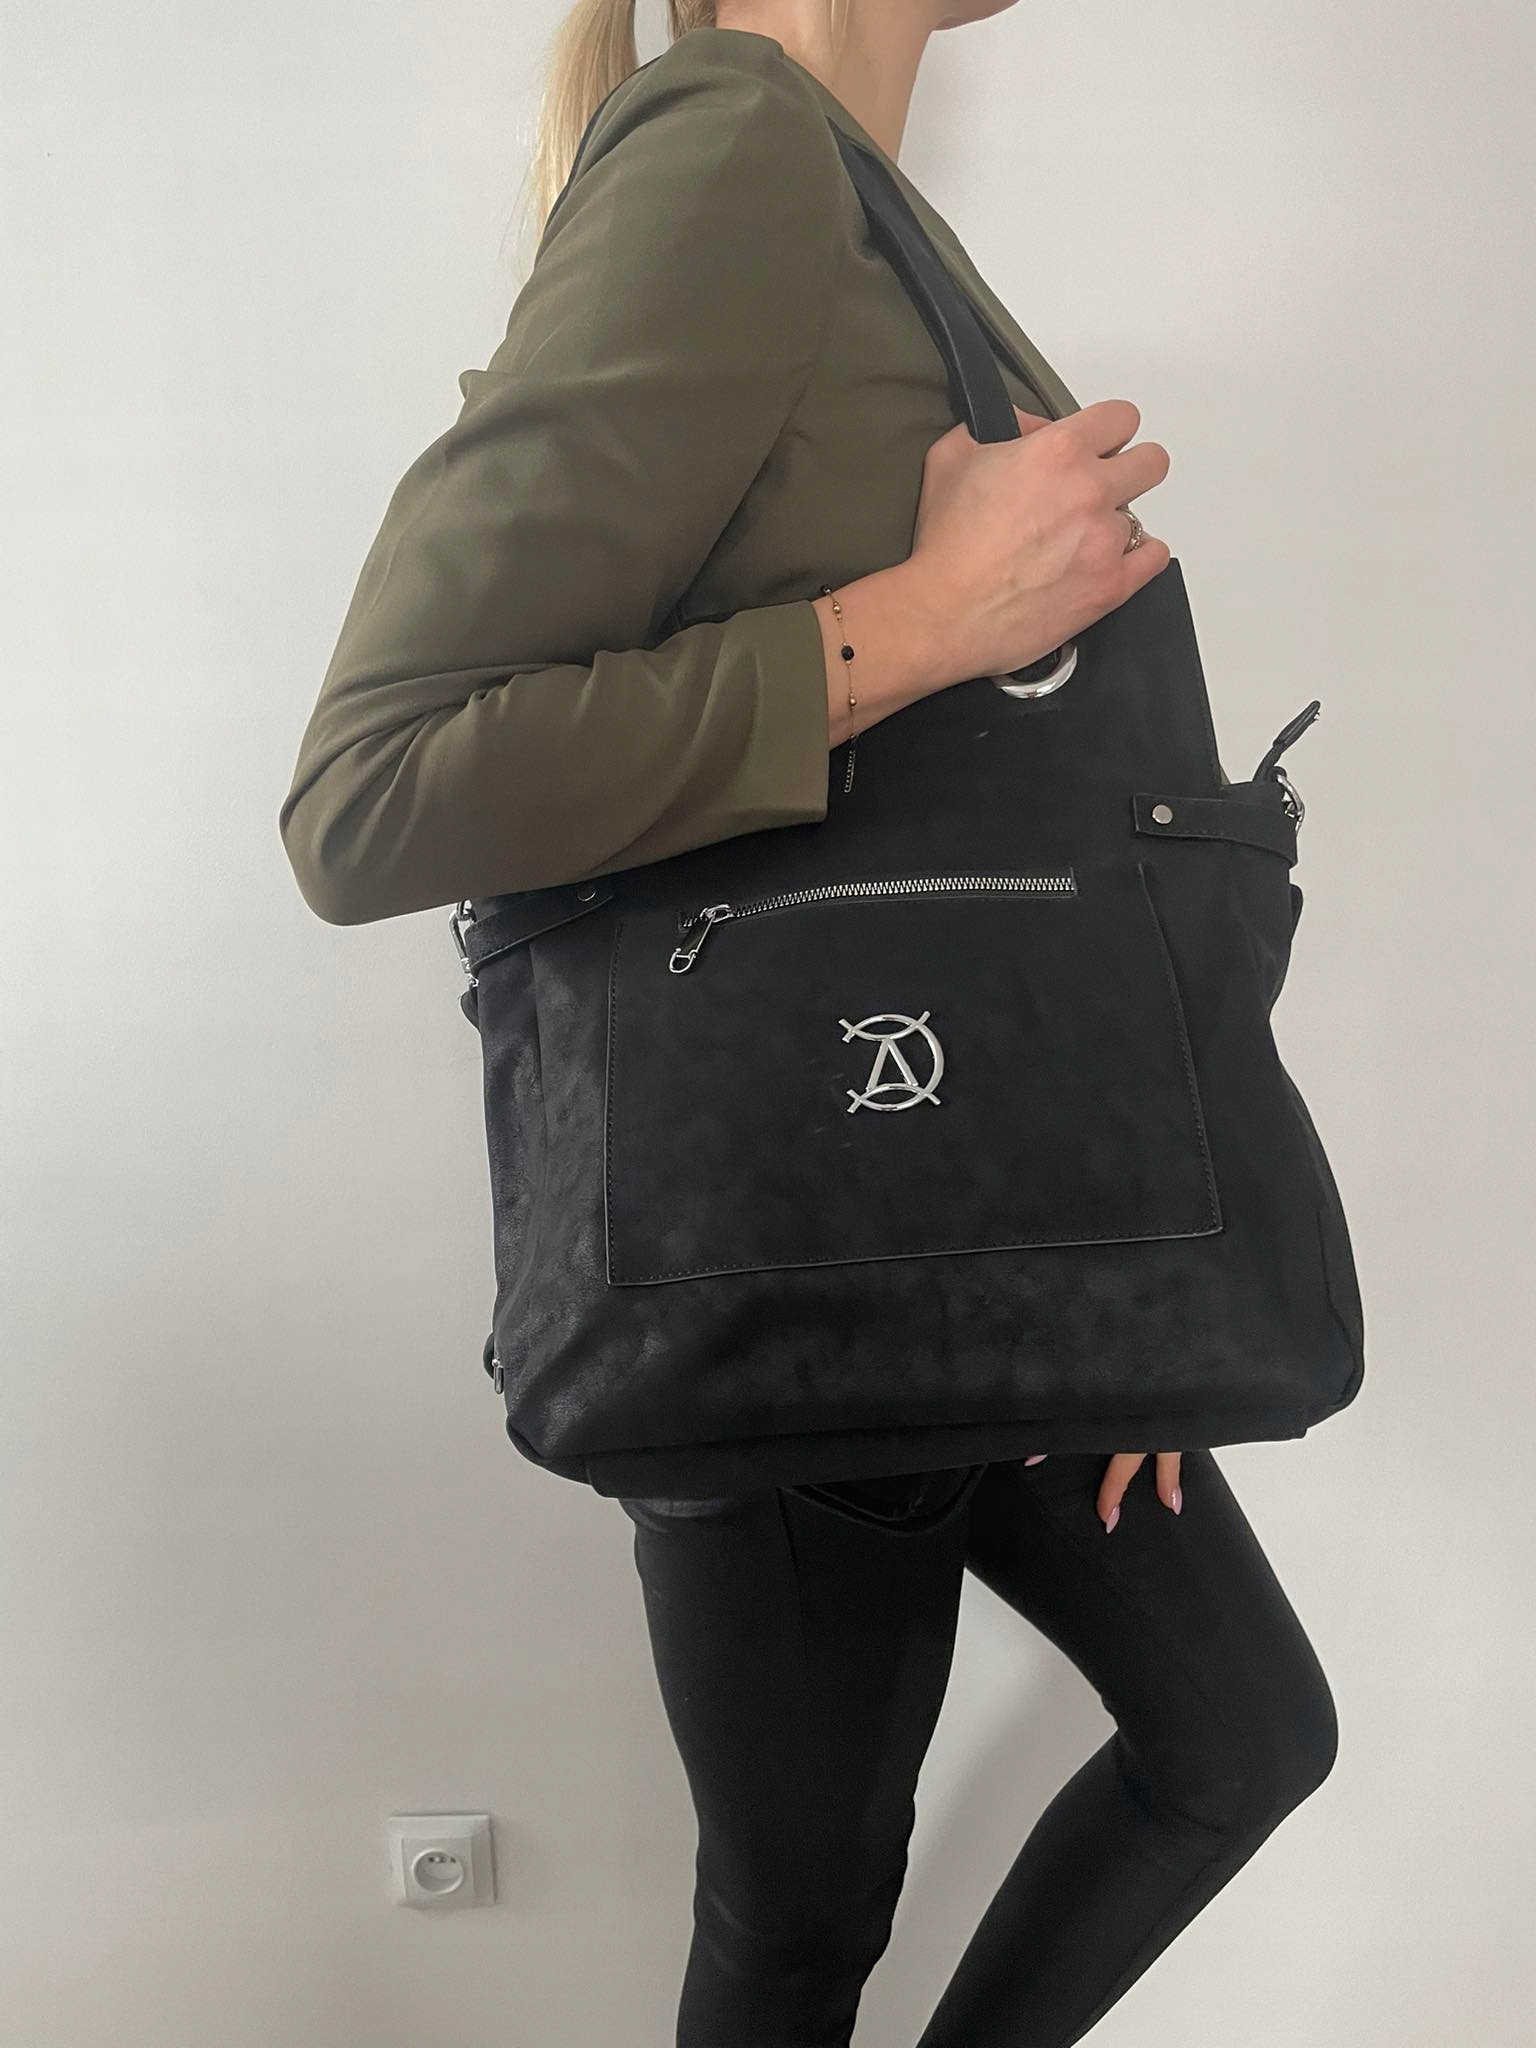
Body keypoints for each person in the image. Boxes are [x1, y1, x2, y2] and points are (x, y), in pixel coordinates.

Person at [278, 3, 1339, 2041]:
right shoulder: (734, 154)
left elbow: (1003, 842)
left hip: (983, 1230)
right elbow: (372, 793)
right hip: (786, 1255)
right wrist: (921, 623)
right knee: (803, 1916)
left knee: (1240, 1735)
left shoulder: (848, 205)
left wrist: (1129, 1257)